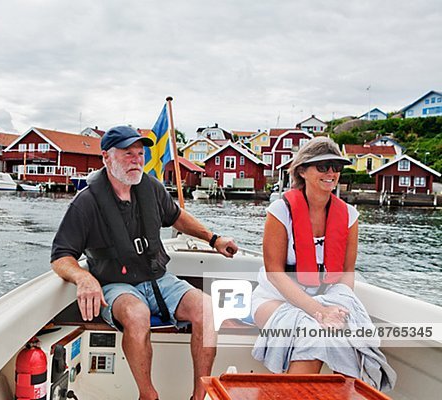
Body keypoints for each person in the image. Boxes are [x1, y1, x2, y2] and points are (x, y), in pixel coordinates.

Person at [51, 125, 238, 400]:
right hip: (116, 284)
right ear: (106, 157)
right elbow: (61, 256)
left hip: (158, 278)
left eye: (139, 153)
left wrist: (214, 239)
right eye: (128, 153)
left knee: (208, 310)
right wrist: (84, 278)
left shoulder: (150, 188)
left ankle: (199, 396)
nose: (137, 159)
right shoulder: (87, 202)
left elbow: (176, 216)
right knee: (137, 316)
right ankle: (148, 395)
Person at [250, 137, 396, 390]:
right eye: (323, 166)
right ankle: (292, 395)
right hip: (275, 299)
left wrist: (336, 306)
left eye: (336, 167)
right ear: (302, 171)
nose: (331, 173)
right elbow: (275, 273)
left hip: (327, 298)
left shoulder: (349, 216)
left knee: (346, 334)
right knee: (314, 334)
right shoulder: (280, 211)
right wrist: (319, 312)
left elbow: (347, 274)